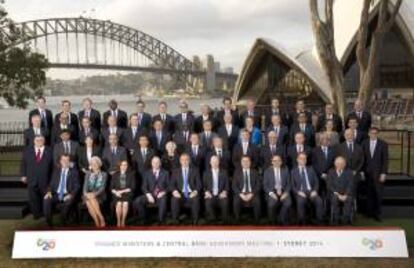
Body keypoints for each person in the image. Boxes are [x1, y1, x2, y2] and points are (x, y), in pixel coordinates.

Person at [20, 135, 53, 219]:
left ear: (44, 141)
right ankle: (36, 214)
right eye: (37, 140)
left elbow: (52, 166)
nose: (39, 141)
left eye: (41, 140)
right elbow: (23, 163)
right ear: (34, 141)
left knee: (45, 197)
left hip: (45, 179)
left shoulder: (49, 151)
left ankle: (45, 213)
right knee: (33, 197)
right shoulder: (27, 151)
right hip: (31, 178)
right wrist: (23, 175)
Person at [43, 154, 80, 227]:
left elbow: (77, 186)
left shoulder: (74, 172)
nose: (65, 162)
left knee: (68, 202)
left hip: (67, 194)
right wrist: (49, 192)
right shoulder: (56, 172)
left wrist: (71, 195)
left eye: (67, 160)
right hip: (56, 194)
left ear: (69, 162)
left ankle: (63, 221)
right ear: (60, 161)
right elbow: (51, 184)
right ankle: (49, 223)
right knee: (46, 200)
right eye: (63, 160)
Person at [362, 127, 388, 221]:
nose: (373, 134)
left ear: (377, 134)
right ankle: (369, 213)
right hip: (367, 173)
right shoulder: (364, 143)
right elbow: (362, 158)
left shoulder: (383, 144)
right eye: (371, 133)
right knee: (369, 194)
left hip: (378, 173)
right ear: (369, 134)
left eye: (375, 133)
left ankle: (378, 214)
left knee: (378, 194)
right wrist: (362, 171)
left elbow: (385, 160)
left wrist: (383, 173)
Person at [134, 156, 169, 223]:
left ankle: (161, 220)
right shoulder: (147, 173)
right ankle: (144, 218)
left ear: (160, 163)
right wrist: (148, 195)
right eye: (154, 162)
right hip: (150, 194)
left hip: (160, 195)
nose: (155, 164)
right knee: (138, 201)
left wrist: (163, 192)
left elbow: (169, 186)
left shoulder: (165, 173)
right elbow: (143, 186)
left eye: (157, 162)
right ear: (151, 163)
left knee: (164, 199)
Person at [291, 153, 323, 224]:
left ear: (306, 160)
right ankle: (302, 222)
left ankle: (319, 221)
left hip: (311, 191)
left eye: (304, 158)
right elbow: (292, 186)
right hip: (300, 192)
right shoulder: (293, 171)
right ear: (297, 160)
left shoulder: (311, 169)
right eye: (301, 158)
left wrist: (315, 191)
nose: (303, 160)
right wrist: (299, 192)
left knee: (319, 201)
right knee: (300, 201)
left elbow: (316, 182)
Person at [170, 153, 202, 224]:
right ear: (180, 161)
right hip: (180, 193)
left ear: (189, 161)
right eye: (183, 160)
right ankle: (175, 219)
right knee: (174, 199)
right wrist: (175, 191)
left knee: (196, 199)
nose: (184, 162)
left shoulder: (195, 170)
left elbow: (199, 184)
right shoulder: (175, 171)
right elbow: (172, 184)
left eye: (186, 160)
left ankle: (195, 219)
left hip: (191, 192)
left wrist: (195, 192)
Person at [336, 128, 364, 206]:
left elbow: (362, 161)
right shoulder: (339, 147)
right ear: (344, 136)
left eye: (351, 134)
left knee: (354, 190)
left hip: (355, 174)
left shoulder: (359, 147)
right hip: (343, 173)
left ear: (354, 135)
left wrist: (356, 170)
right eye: (347, 135)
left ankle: (353, 206)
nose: (349, 136)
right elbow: (337, 160)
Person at [263, 155, 291, 225]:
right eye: (274, 161)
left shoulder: (285, 169)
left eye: (278, 160)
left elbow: (289, 183)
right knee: (271, 204)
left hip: (283, 191)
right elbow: (265, 185)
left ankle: (280, 217)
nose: (276, 162)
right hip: (272, 191)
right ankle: (271, 220)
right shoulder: (267, 171)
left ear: (281, 162)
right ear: (272, 162)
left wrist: (286, 192)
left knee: (288, 203)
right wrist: (271, 193)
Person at [232, 156, 261, 223]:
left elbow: (258, 185)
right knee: (236, 201)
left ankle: (257, 220)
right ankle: (237, 219)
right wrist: (241, 194)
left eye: (247, 161)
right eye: (243, 161)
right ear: (241, 163)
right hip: (241, 193)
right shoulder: (236, 172)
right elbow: (234, 186)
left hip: (252, 193)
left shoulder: (255, 172)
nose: (245, 163)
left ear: (250, 162)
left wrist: (252, 194)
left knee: (257, 201)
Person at [203, 155, 229, 223]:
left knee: (225, 202)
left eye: (216, 162)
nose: (214, 163)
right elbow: (204, 186)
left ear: (219, 162)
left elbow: (227, 185)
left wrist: (225, 192)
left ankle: (224, 220)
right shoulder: (206, 173)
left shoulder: (224, 172)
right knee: (208, 203)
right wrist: (206, 192)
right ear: (210, 163)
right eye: (213, 162)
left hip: (221, 194)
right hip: (210, 194)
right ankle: (212, 219)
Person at [83, 156, 107, 227]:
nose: (94, 165)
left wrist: (94, 194)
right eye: (92, 164)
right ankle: (97, 220)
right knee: (88, 200)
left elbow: (102, 188)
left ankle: (100, 218)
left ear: (99, 164)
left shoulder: (104, 174)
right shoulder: (88, 174)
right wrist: (85, 193)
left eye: (96, 163)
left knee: (91, 199)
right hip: (88, 194)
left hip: (100, 195)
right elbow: (85, 186)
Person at [328, 156, 353, 225]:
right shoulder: (331, 172)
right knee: (335, 199)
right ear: (335, 164)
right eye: (338, 163)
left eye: (342, 163)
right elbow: (330, 186)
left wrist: (346, 194)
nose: (340, 165)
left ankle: (345, 219)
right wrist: (338, 195)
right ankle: (336, 219)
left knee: (349, 199)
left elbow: (350, 185)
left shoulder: (349, 172)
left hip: (346, 193)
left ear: (345, 164)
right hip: (335, 193)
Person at [111, 160, 135, 227]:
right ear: (120, 166)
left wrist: (121, 191)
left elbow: (132, 187)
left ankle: (123, 221)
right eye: (122, 165)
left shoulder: (131, 174)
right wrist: (116, 192)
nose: (124, 166)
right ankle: (118, 220)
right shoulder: (115, 175)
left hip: (127, 193)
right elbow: (111, 188)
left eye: (125, 165)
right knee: (118, 204)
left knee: (125, 204)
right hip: (117, 193)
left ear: (127, 166)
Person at [312, 132, 335, 198]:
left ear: (329, 141)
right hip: (318, 176)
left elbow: (334, 164)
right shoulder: (314, 150)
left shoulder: (333, 150)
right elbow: (314, 164)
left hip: (330, 176)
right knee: (319, 196)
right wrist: (321, 174)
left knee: (329, 195)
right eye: (322, 139)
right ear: (319, 140)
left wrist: (328, 174)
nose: (324, 140)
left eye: (326, 139)